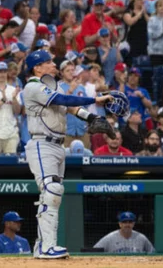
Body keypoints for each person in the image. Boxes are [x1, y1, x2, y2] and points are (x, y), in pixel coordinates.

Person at [22, 50, 114, 258]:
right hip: (41, 144)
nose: (54, 65)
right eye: (49, 62)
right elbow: (63, 99)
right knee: (52, 190)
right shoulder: (33, 87)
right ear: (37, 67)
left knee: (52, 193)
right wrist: (95, 99)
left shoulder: (51, 87)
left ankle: (41, 245)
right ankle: (47, 247)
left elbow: (70, 108)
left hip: (57, 145)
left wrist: (91, 117)